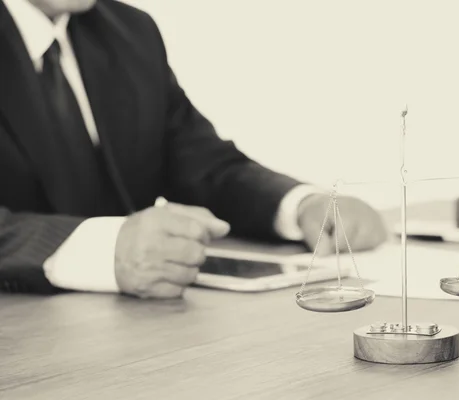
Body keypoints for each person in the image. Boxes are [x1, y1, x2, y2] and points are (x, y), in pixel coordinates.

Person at [0, 0, 388, 298]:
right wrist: (100, 251)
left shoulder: (128, 32)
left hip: (134, 333)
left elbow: (200, 161)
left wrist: (300, 205)